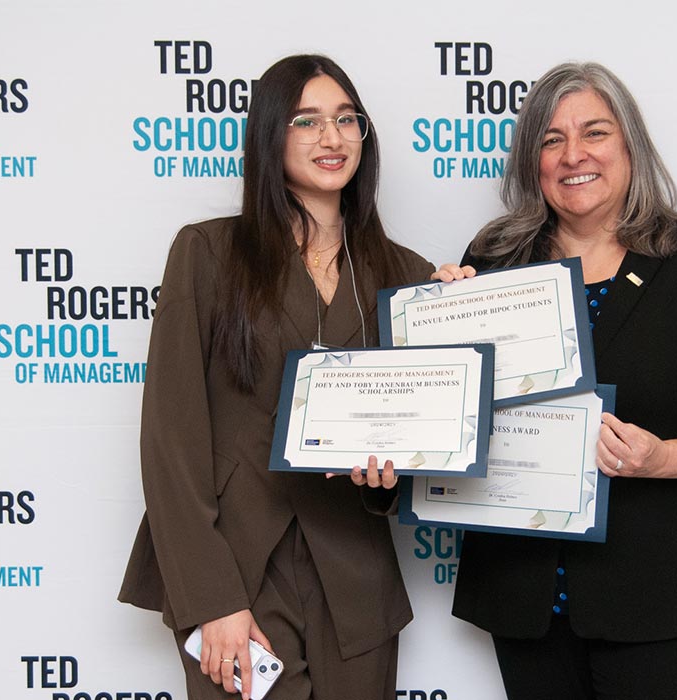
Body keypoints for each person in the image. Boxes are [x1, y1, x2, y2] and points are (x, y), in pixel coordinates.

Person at [444, 62, 677, 699]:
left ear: (630, 145)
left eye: (594, 132)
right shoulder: (492, 261)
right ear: (531, 161)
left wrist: (661, 458)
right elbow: (456, 427)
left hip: (659, 593)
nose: (574, 155)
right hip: (524, 595)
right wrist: (439, 332)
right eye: (551, 140)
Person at [118, 54, 437, 700]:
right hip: (236, 570)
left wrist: (453, 307)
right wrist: (213, 600)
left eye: (348, 120)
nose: (333, 137)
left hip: (356, 577)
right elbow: (170, 444)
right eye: (308, 120)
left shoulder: (405, 274)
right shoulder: (208, 254)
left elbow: (420, 444)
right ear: (270, 135)